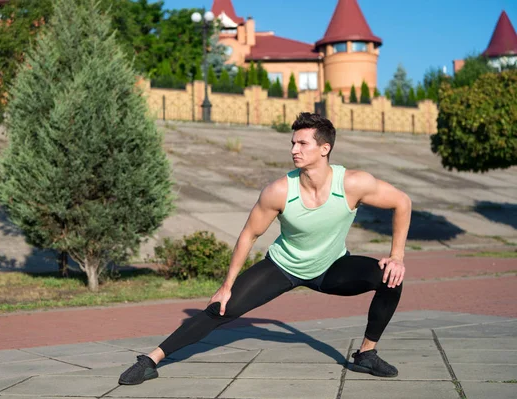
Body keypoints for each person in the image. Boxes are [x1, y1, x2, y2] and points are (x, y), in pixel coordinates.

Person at [118, 112, 411, 385]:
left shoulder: (353, 183)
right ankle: (151, 360)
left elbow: (402, 202)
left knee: (391, 278)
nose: (294, 149)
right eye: (293, 143)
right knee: (221, 308)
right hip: (283, 267)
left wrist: (396, 256)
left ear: (324, 149)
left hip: (332, 267)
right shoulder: (280, 190)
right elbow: (249, 234)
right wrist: (226, 285)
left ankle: (366, 354)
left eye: (303, 143)